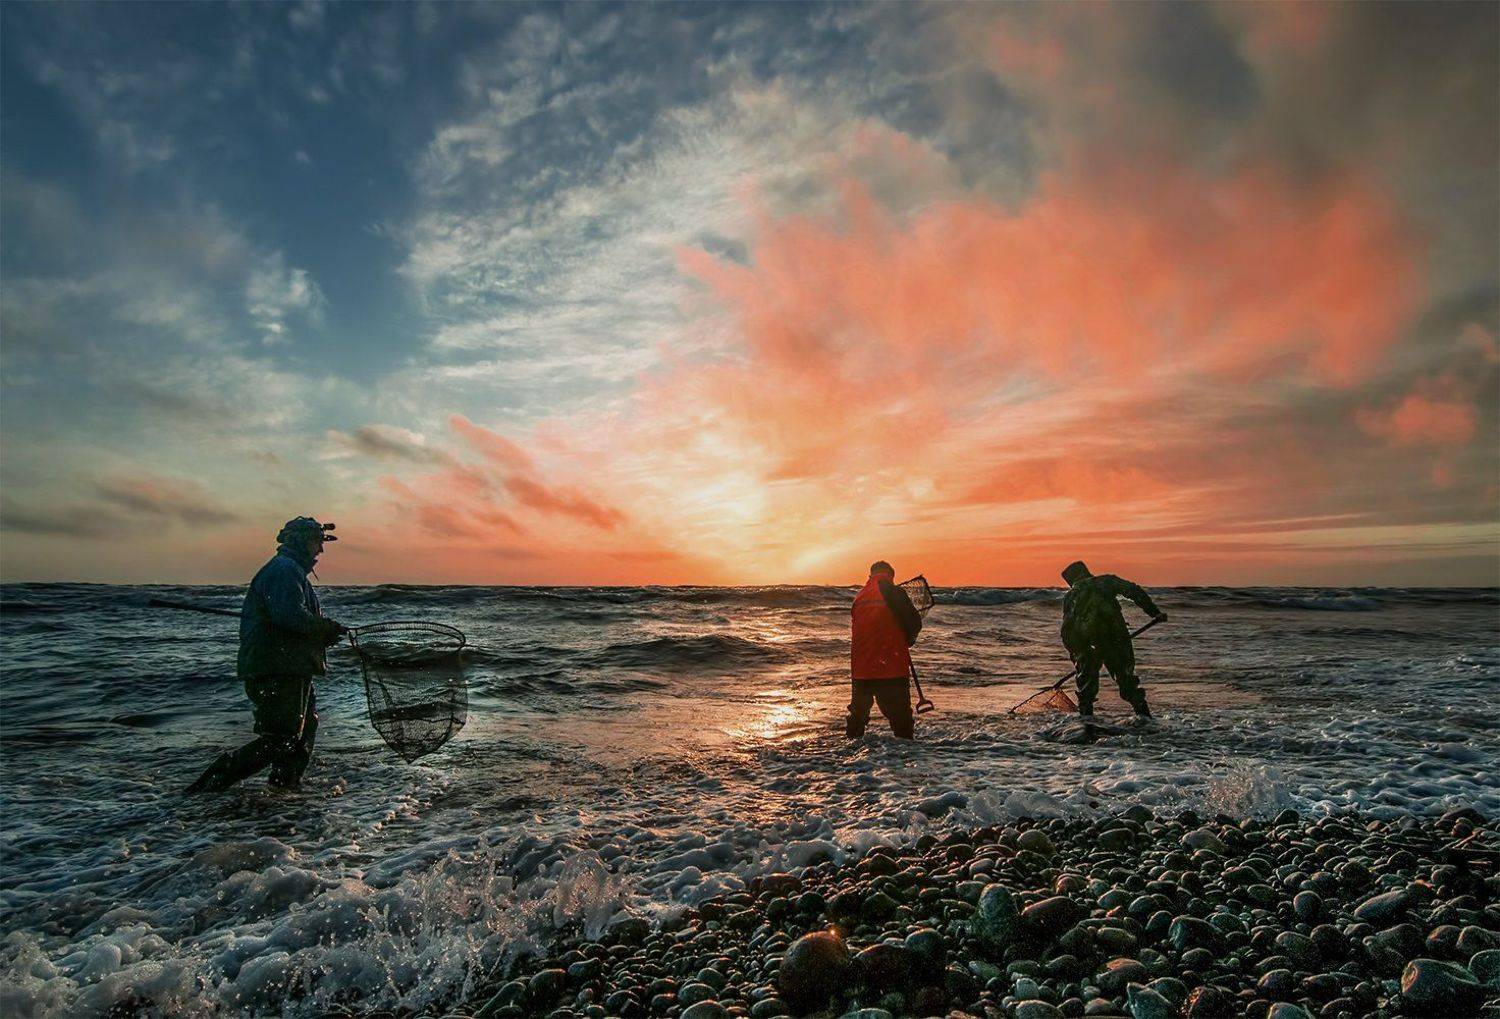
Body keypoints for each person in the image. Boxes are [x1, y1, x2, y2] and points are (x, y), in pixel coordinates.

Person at [186, 517, 346, 793]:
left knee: (302, 734)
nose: (320, 551)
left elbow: (291, 618)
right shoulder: (284, 571)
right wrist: (323, 629)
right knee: (282, 738)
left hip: (293, 668)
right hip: (277, 669)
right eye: (316, 543)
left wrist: (322, 632)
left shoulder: (290, 571)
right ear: (299, 541)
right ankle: (207, 788)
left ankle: (284, 793)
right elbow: (291, 616)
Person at [1059, 560, 1167, 718]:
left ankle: (1086, 725)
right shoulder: (1106, 581)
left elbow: (1067, 630)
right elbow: (1133, 591)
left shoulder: (1070, 596)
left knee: (1086, 690)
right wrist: (1154, 613)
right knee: (1127, 681)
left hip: (1086, 645)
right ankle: (1146, 721)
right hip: (1116, 639)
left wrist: (1079, 655)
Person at [848, 561, 923, 739]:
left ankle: (849, 760)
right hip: (890, 667)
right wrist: (909, 639)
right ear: (890, 575)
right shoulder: (894, 592)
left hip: (861, 670)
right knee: (901, 722)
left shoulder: (859, 597)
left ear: (871, 575)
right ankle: (904, 760)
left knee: (857, 719)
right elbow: (914, 622)